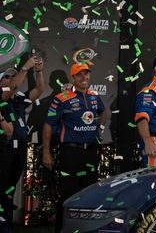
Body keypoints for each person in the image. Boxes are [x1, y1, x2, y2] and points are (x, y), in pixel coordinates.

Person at [42, 62, 105, 233]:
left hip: (91, 151)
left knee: (90, 193)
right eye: (80, 75)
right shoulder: (62, 98)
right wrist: (46, 152)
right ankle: (62, 230)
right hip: (70, 152)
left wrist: (100, 127)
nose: (84, 77)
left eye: (86, 74)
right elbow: (48, 125)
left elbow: (103, 112)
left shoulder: (94, 96)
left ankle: (85, 229)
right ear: (73, 77)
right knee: (69, 193)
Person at [0, 55, 44, 233]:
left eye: (12, 76)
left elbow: (39, 90)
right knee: (1, 188)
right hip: (4, 148)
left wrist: (39, 71)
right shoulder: (2, 99)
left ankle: (6, 224)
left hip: (19, 149)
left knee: (10, 189)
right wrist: (25, 68)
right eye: (7, 77)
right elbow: (12, 87)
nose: (11, 79)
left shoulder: (18, 100)